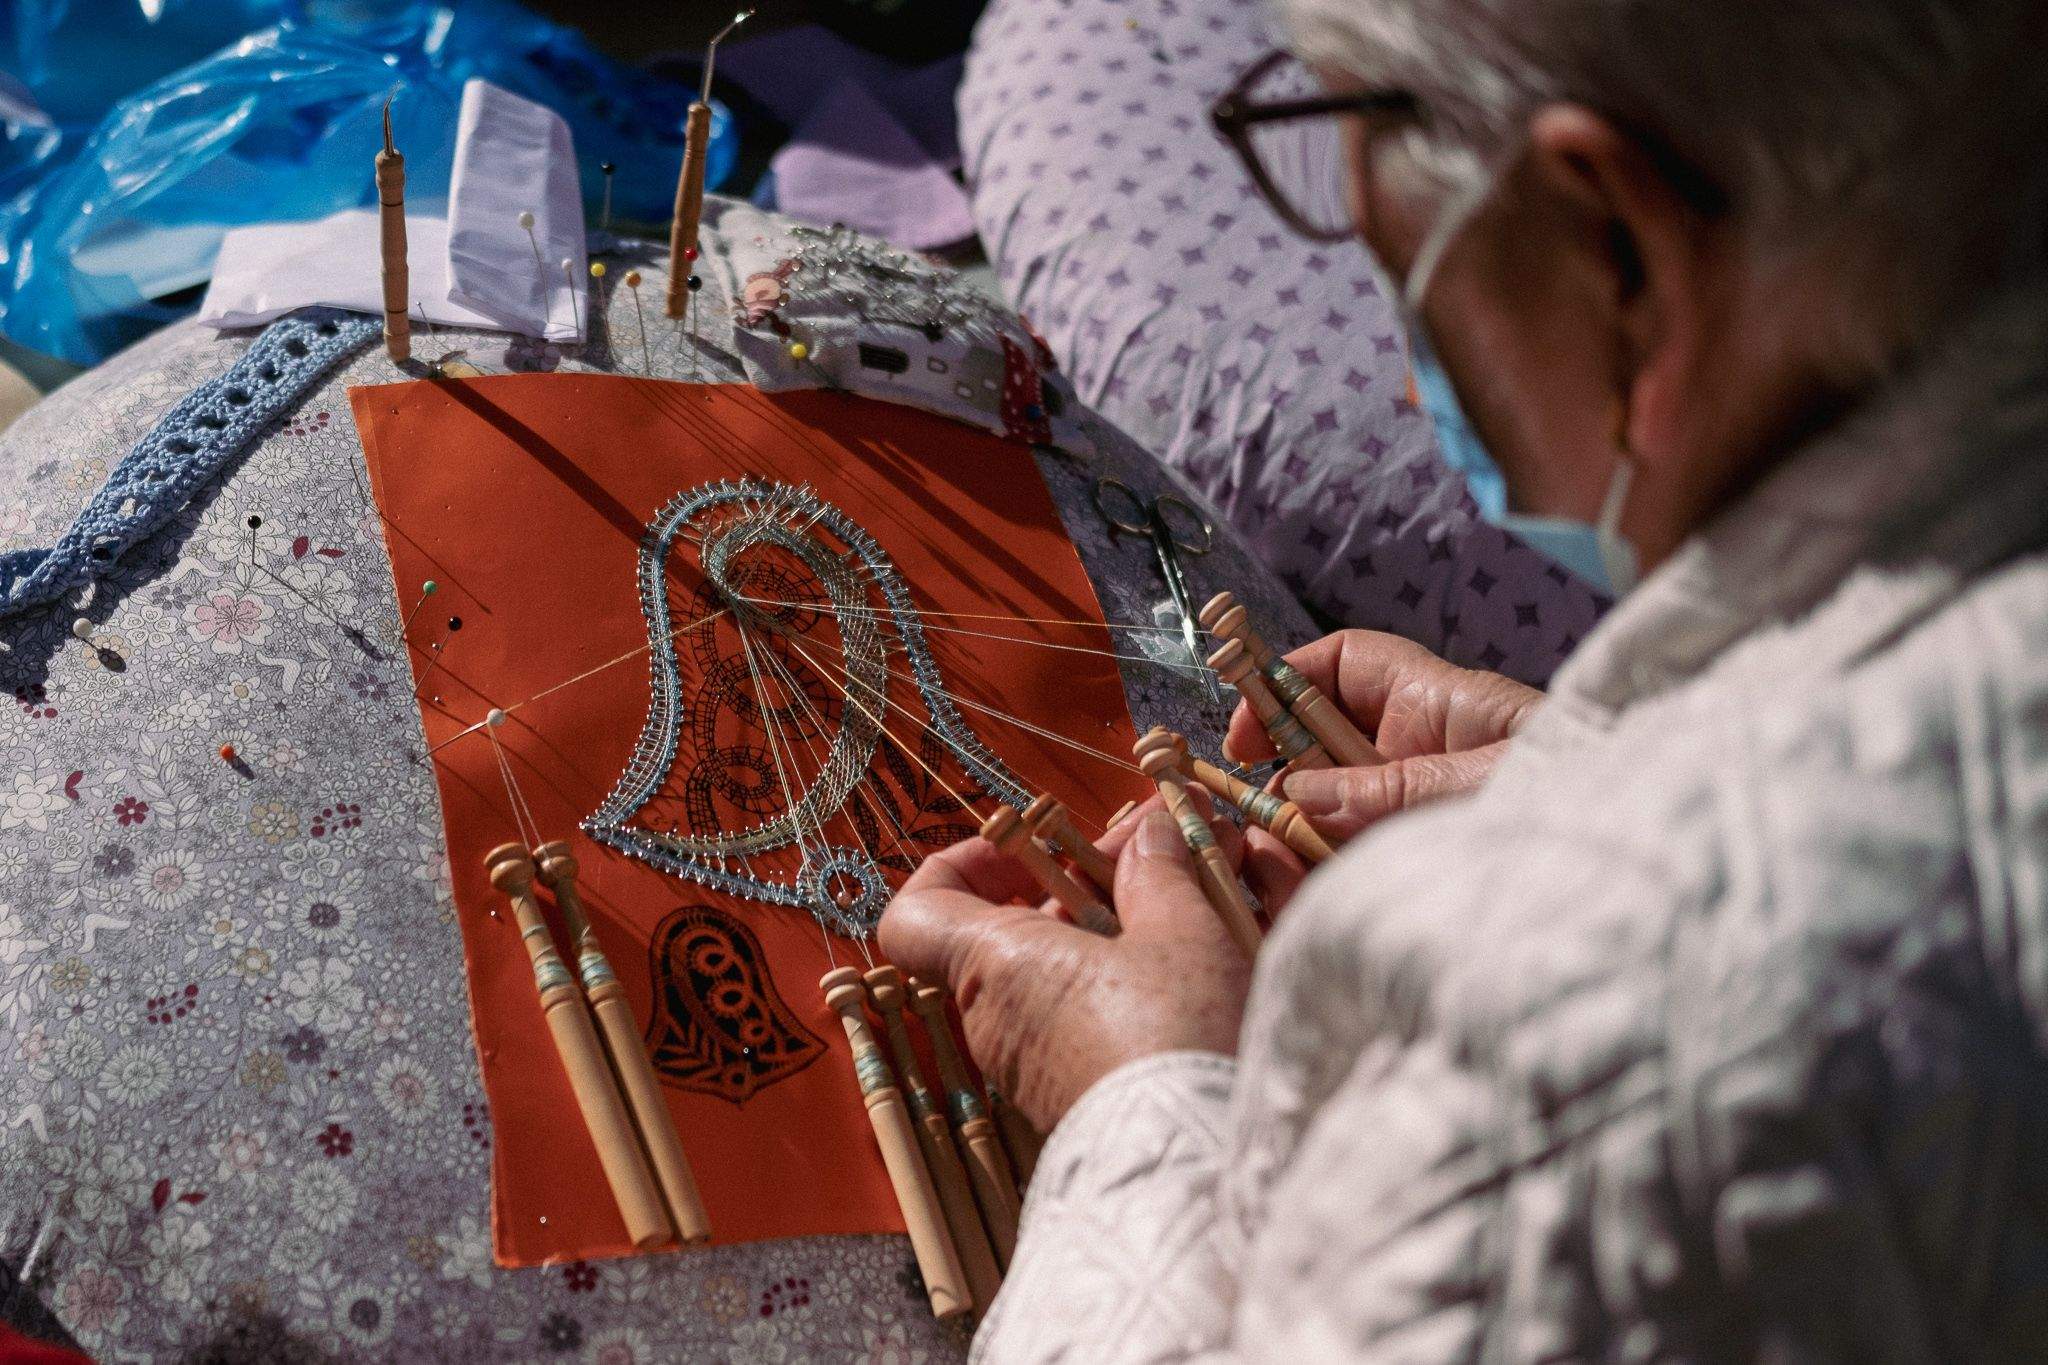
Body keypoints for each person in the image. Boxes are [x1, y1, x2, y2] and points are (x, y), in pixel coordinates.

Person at [880, 0, 2048, 1357]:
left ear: (1614, 252)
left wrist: (1145, 1098)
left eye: (1344, 153)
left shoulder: (1586, 1047)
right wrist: (1613, 759)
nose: (1364, 257)